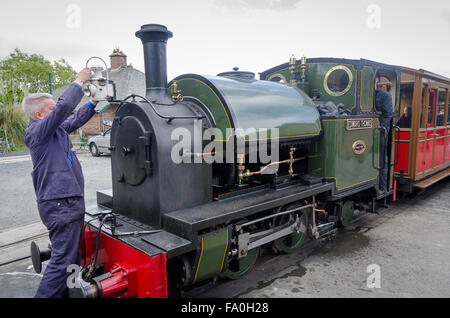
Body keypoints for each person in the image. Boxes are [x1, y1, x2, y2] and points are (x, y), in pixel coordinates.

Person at [23, 68, 97, 298]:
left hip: (66, 203)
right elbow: (65, 108)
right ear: (39, 116)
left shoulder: (56, 132)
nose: (58, 114)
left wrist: (93, 102)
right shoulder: (37, 132)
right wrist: (79, 81)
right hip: (60, 205)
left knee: (71, 258)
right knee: (62, 261)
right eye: (52, 110)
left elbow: (73, 119)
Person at [374, 76, 393, 192]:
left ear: (376, 80)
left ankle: (382, 186)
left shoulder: (385, 95)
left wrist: (381, 129)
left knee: (382, 158)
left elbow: (388, 115)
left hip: (380, 131)